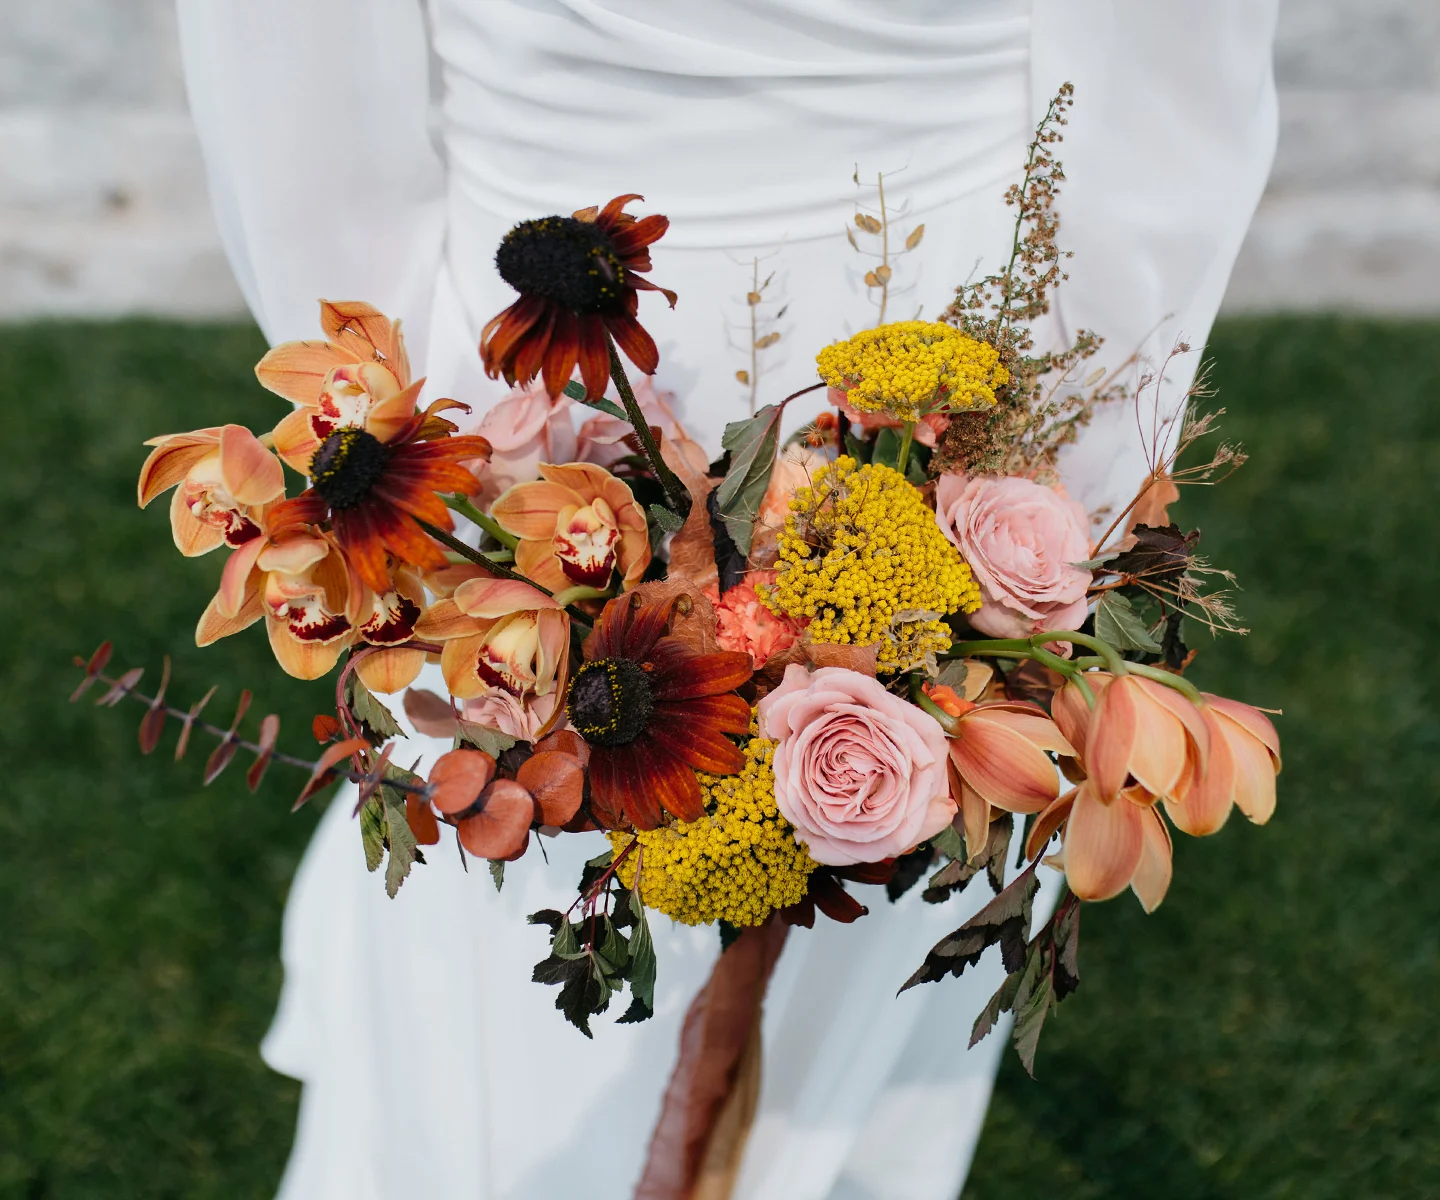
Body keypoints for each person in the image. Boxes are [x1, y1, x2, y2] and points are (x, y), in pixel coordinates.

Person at [175, 3, 1278, 1196]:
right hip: (527, 376)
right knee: (517, 920)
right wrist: (408, 456)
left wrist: (1050, 520)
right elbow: (298, 104)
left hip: (958, 341)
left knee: (882, 899)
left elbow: (1168, 74)